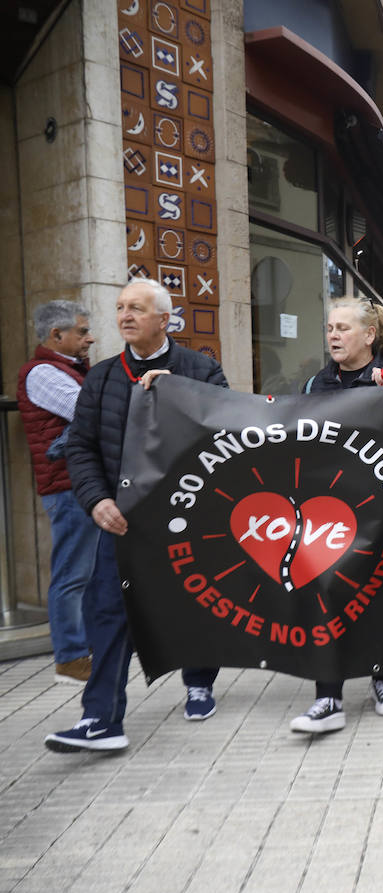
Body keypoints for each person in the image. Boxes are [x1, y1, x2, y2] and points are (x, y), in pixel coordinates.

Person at [43, 279, 227, 752]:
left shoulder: (200, 370)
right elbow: (80, 446)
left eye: (137, 309)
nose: (125, 316)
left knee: (195, 602)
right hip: (122, 520)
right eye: (120, 308)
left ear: (164, 320)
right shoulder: (101, 377)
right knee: (106, 611)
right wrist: (95, 499)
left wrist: (183, 396)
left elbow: (231, 429)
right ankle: (101, 719)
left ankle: (200, 681)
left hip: (188, 517)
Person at [290, 297, 383, 734]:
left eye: (343, 328)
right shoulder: (315, 384)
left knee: (374, 591)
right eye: (330, 328)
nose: (333, 335)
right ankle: (327, 697)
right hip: (327, 508)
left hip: (381, 506)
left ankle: (381, 678)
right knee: (322, 591)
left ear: (369, 335)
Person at [17, 301, 97, 685]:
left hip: (78, 485)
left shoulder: (71, 370)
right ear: (57, 335)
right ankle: (69, 657)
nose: (89, 337)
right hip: (67, 488)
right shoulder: (43, 373)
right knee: (72, 574)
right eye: (82, 331)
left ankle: (87, 647)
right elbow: (88, 411)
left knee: (88, 572)